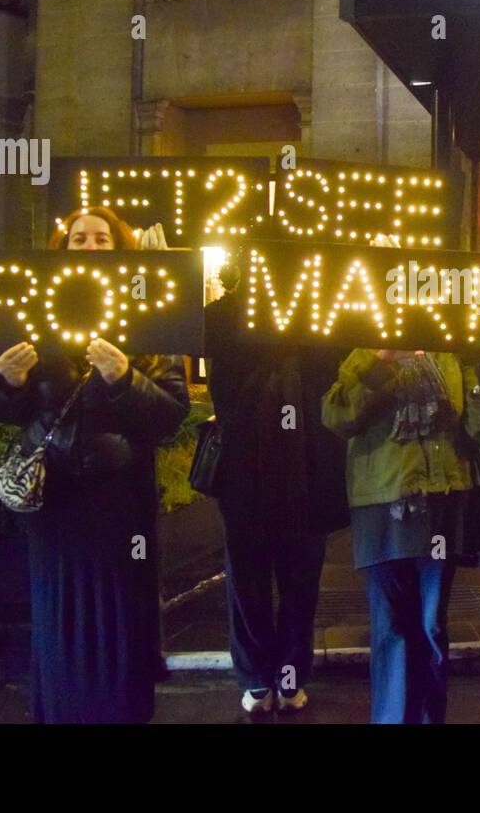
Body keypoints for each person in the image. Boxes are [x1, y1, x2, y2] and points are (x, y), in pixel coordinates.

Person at [0, 206, 190, 723]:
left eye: (102, 238)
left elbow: (170, 414)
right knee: (60, 616)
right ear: (64, 248)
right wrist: (7, 385)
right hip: (54, 504)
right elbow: (10, 415)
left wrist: (124, 376)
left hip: (118, 503)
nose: (91, 245)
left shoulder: (154, 317)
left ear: (120, 247)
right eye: (80, 238)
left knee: (118, 616)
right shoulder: (36, 311)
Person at [321, 239, 480, 724]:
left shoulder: (451, 349)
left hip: (444, 502)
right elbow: (337, 413)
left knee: (430, 625)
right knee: (393, 627)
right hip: (383, 505)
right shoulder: (362, 345)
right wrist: (381, 363)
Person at [202, 273, 349, 717]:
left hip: (306, 471)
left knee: (299, 581)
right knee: (247, 580)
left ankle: (286, 676)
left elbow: (332, 381)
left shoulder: (325, 311)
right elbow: (225, 383)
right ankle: (257, 677)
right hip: (249, 472)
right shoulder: (224, 316)